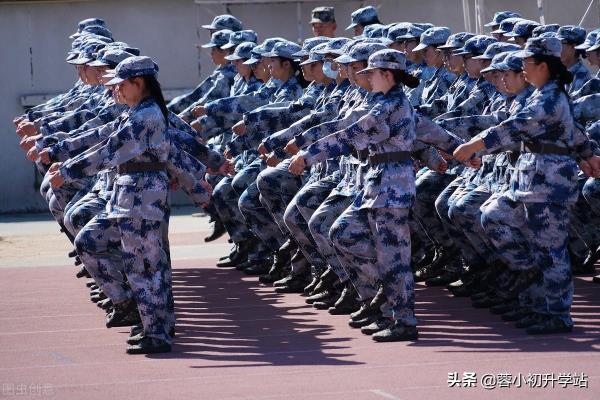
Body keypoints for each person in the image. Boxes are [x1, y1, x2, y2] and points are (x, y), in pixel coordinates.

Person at [453, 37, 600, 334]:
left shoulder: (549, 98)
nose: (522, 69)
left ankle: (556, 313)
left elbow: (516, 126)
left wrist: (474, 145)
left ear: (543, 66)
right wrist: (587, 154)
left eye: (526, 63)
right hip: (531, 180)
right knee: (494, 216)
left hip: (550, 183)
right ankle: (532, 284)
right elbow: (574, 132)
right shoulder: (542, 94)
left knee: (551, 249)